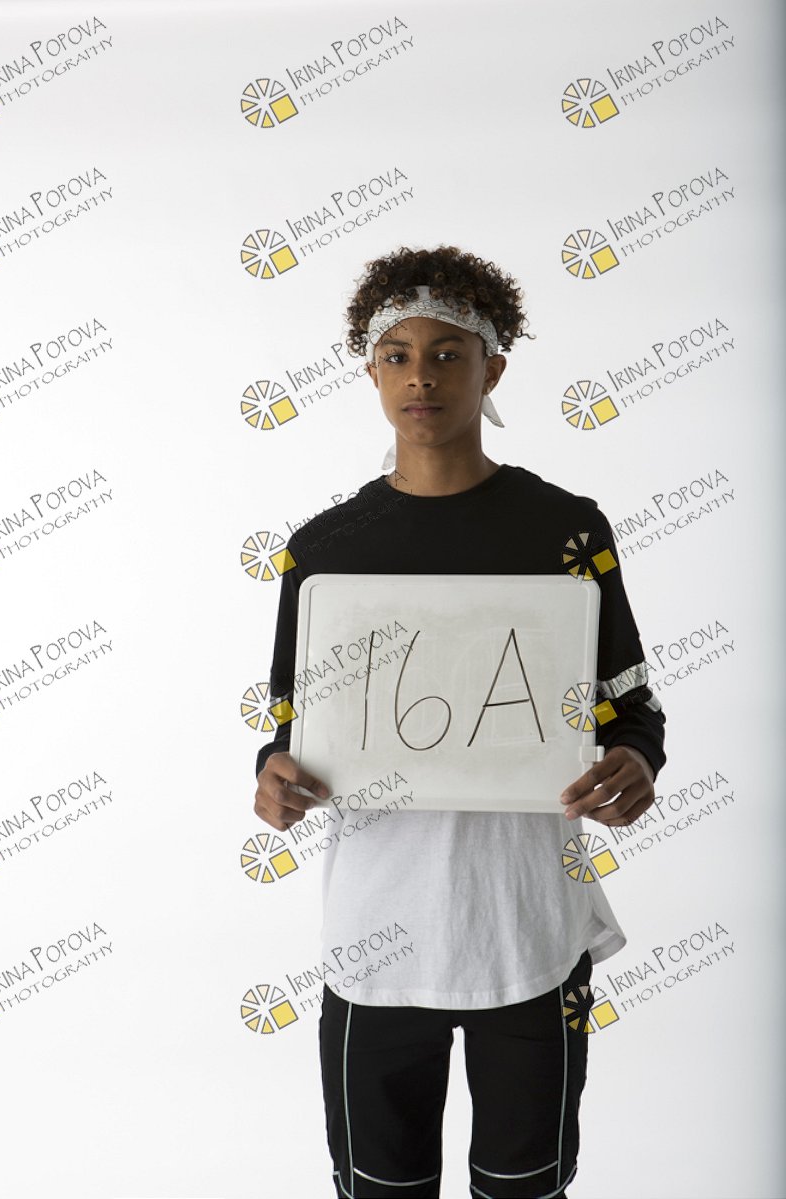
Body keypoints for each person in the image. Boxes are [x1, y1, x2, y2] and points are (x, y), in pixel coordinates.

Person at [254, 245, 666, 1199]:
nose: (421, 377)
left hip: (526, 926)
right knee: (381, 1187)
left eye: (447, 353)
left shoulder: (566, 530)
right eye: (396, 355)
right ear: (370, 371)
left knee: (524, 1185)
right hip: (376, 935)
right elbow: (290, 722)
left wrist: (635, 758)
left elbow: (630, 704)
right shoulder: (325, 549)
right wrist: (274, 773)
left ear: (494, 368)